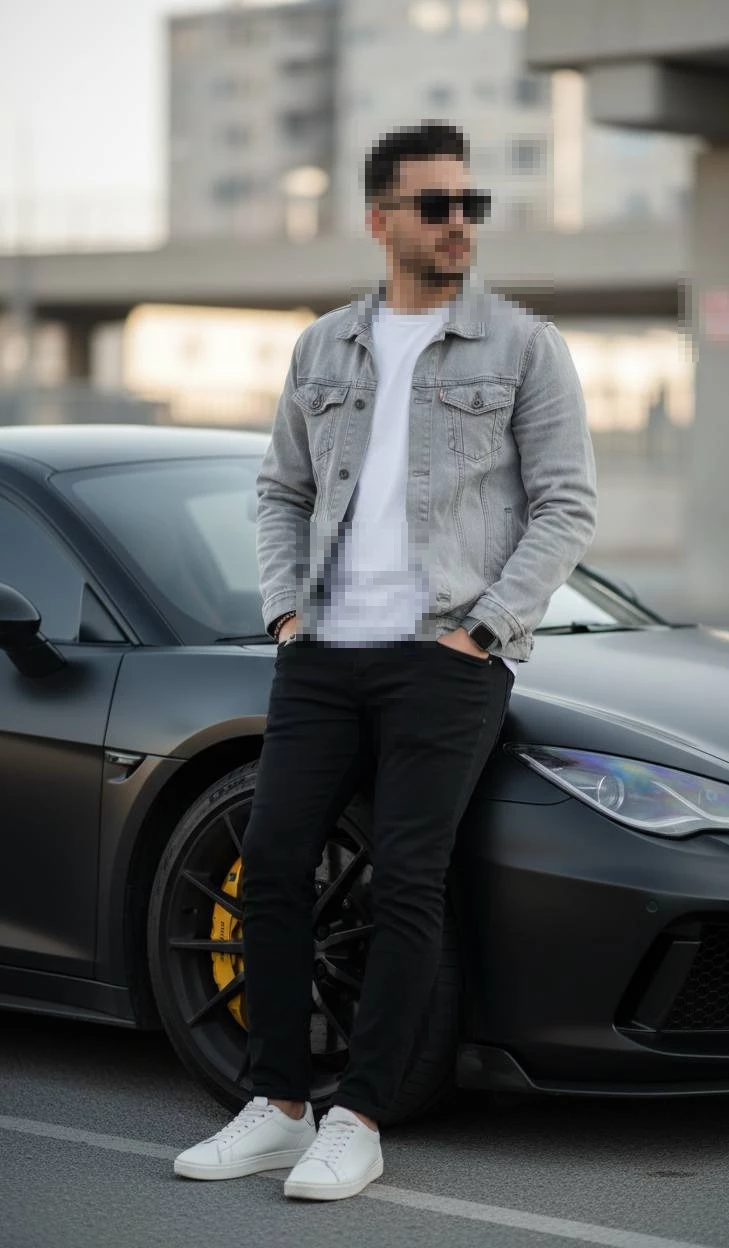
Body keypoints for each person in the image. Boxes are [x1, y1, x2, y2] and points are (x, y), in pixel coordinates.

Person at [174, 120, 597, 1201]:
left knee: (409, 879)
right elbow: (281, 490)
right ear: (380, 220)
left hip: (444, 657)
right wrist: (284, 614)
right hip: (323, 652)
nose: (459, 223)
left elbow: (565, 506)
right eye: (435, 205)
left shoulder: (524, 348)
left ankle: (357, 1117)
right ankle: (277, 1105)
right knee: (273, 865)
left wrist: (481, 633)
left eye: (470, 204)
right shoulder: (324, 347)